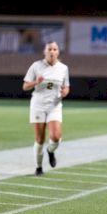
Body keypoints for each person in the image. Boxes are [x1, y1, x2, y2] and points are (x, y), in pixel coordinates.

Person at [23, 41, 70, 176]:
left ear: (58, 52)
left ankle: (50, 150)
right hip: (38, 105)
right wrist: (35, 82)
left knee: (55, 137)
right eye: (49, 49)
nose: (52, 52)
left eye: (55, 49)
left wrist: (65, 92)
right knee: (39, 139)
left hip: (54, 106)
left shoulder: (63, 68)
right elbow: (25, 86)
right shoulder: (36, 66)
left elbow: (66, 86)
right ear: (45, 51)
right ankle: (38, 167)